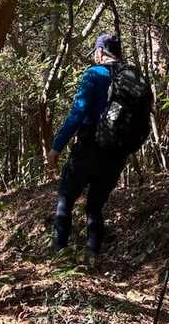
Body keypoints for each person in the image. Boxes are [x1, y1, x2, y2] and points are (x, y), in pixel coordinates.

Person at [47, 32, 149, 260]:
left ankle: (59, 254)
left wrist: (56, 147)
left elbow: (78, 112)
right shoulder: (132, 77)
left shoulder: (94, 73)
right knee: (94, 206)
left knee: (65, 198)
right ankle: (92, 256)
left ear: (101, 51)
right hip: (117, 152)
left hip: (89, 147)